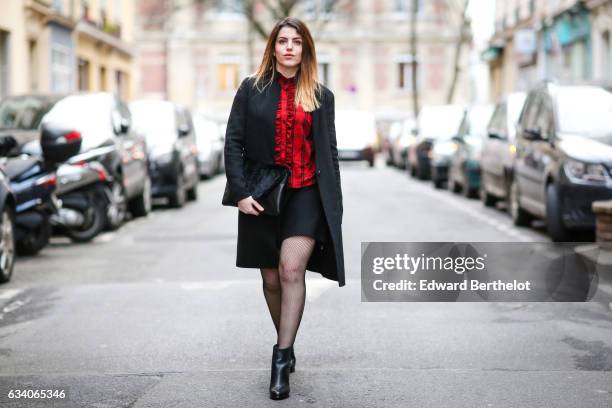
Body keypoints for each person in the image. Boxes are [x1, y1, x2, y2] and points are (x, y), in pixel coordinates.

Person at [223, 16, 345, 400]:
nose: (289, 47)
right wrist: (240, 192)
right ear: (273, 47)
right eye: (283, 41)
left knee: (292, 269)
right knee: (271, 279)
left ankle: (280, 357)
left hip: (306, 192)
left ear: (306, 49)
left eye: (297, 42)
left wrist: (334, 205)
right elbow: (233, 143)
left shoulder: (321, 96)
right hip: (262, 195)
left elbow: (330, 153)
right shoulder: (251, 89)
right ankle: (287, 342)